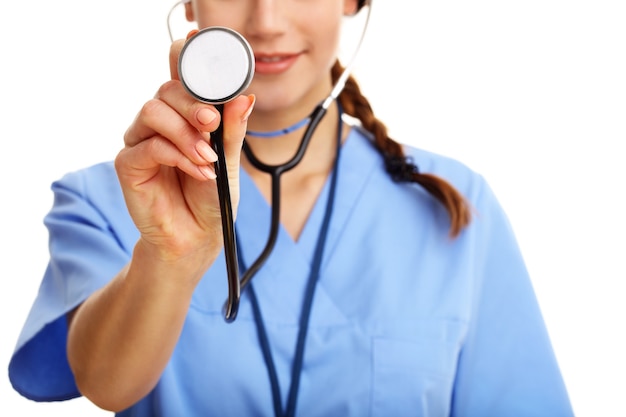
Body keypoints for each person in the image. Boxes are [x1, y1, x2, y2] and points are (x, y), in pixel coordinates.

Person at [8, 0, 574, 415]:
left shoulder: (457, 206)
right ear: (190, 5)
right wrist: (171, 258)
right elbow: (107, 384)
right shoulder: (108, 199)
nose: (267, 20)